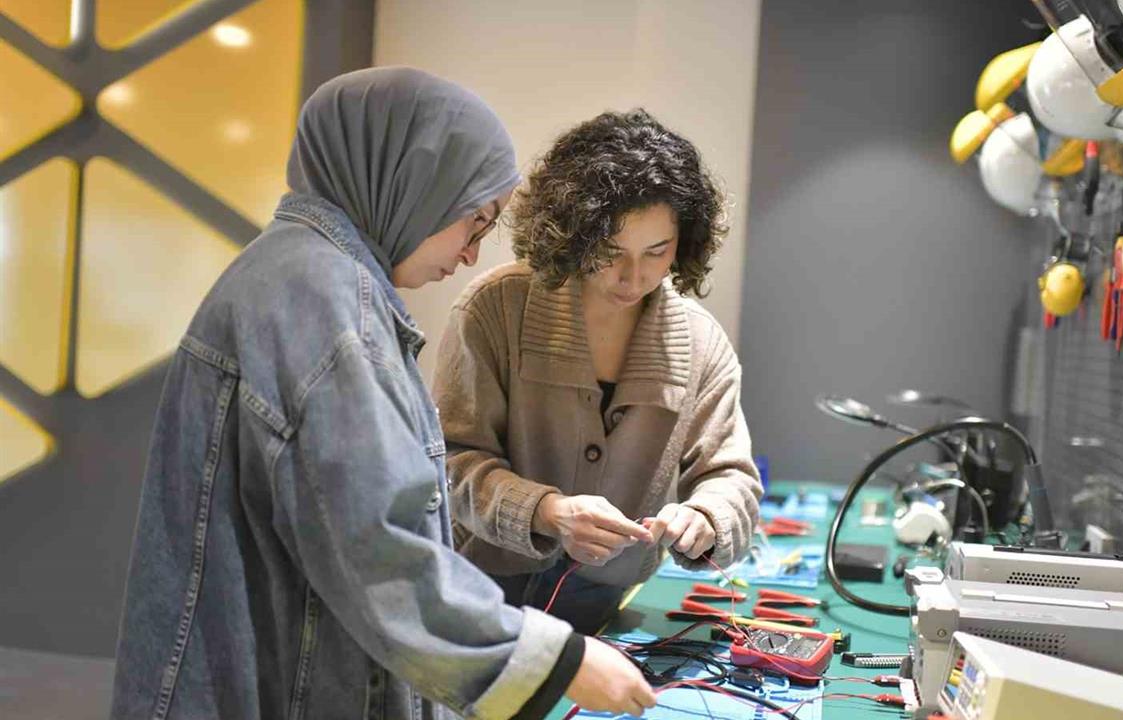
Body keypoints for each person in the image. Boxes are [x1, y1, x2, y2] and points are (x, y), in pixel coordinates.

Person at [108, 68, 655, 720]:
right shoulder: (321, 299)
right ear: (415, 181)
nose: (471, 254)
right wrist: (556, 660)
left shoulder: (302, 274)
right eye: (474, 222)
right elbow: (376, 546)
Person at [435, 109, 762, 634]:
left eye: (657, 252)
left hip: (609, 611)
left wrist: (706, 517)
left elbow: (731, 479)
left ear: (685, 242)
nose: (633, 277)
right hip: (476, 599)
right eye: (610, 252)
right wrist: (547, 512)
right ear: (573, 233)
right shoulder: (495, 308)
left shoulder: (702, 342)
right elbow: (450, 462)